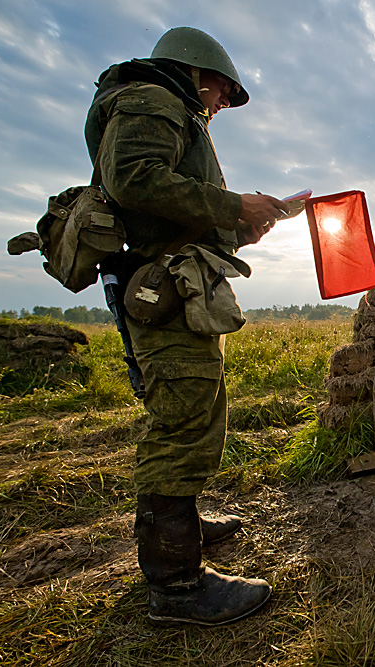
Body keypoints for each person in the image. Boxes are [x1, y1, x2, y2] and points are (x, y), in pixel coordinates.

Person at [85, 27, 289, 625]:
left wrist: (251, 223)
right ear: (200, 71)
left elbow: (180, 206)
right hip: (160, 288)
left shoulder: (176, 112)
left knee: (196, 409)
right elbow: (134, 180)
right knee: (182, 419)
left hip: (179, 285)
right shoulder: (153, 98)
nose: (223, 104)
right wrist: (232, 206)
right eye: (225, 91)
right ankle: (176, 585)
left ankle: (183, 524)